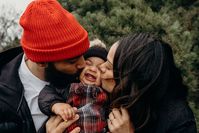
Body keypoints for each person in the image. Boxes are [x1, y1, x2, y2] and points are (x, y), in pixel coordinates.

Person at [0, 0, 90, 132]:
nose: (83, 64)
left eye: (83, 54)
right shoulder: (3, 98)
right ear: (41, 62)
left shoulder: (87, 70)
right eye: (72, 61)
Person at [99, 33, 197, 133]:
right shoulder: (105, 97)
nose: (101, 67)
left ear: (131, 78)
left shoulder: (178, 122)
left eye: (109, 67)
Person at [39, 45, 109, 133]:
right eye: (88, 63)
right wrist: (56, 105)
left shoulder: (105, 93)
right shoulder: (69, 86)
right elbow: (46, 94)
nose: (93, 69)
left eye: (100, 68)